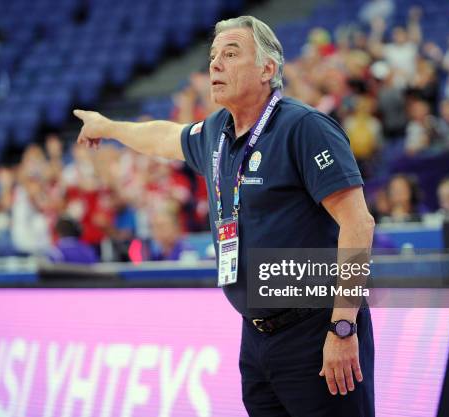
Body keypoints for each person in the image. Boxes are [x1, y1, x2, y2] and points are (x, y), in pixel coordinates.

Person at [74, 15, 375, 416]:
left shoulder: (304, 127)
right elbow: (164, 136)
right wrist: (109, 126)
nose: (215, 63)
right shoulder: (217, 132)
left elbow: (358, 223)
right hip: (256, 338)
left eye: (231, 54)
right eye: (214, 55)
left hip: (316, 329)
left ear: (268, 68)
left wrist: (343, 327)